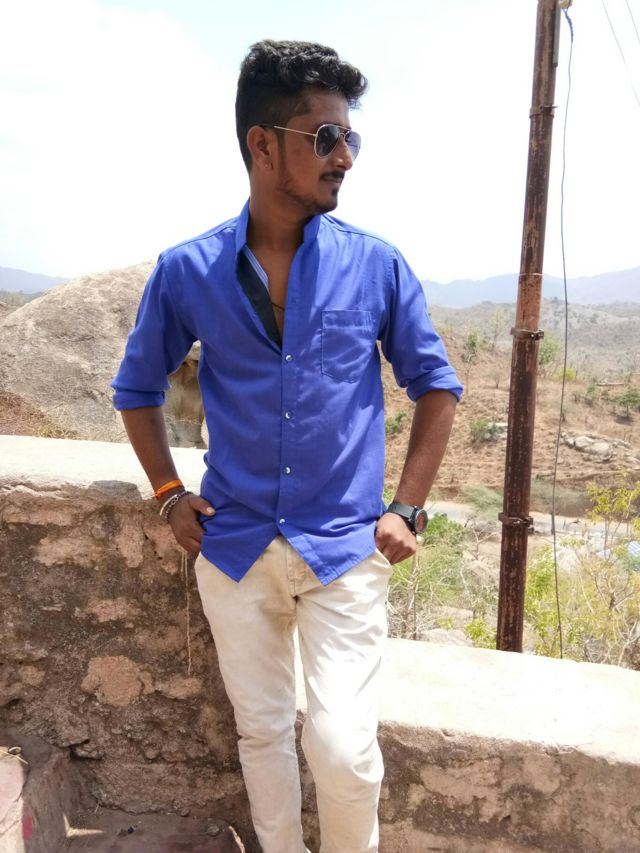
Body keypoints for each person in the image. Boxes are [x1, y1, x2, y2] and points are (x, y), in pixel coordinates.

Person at [112, 39, 462, 853]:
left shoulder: (375, 265)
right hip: (234, 543)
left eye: (349, 138)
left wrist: (407, 508)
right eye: (325, 137)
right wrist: (169, 493)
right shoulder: (188, 270)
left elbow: (437, 387)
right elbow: (136, 389)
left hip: (343, 546)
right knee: (262, 731)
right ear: (262, 144)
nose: (345, 157)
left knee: (343, 749)